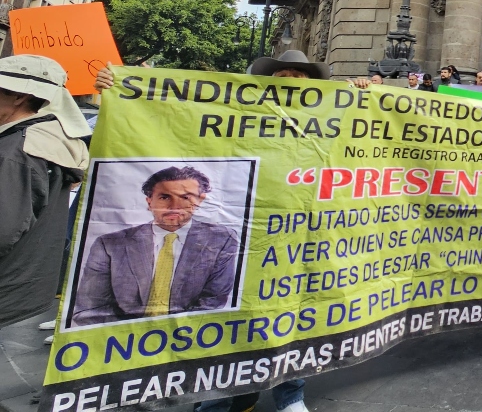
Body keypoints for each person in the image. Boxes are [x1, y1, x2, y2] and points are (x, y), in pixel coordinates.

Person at [94, 50, 333, 412]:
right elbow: (180, 118)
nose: (288, 82)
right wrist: (120, 90)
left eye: (298, 78)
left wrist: (364, 94)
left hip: (298, 234)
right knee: (236, 319)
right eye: (281, 76)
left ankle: (290, 393)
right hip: (249, 231)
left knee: (289, 315)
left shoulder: (329, 120)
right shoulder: (241, 113)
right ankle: (225, 398)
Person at [72, 166, 239, 325]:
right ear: (149, 201)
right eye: (164, 197)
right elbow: (90, 309)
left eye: (186, 197)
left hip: (186, 339)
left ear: (200, 200)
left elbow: (211, 304)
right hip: (124, 342)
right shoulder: (110, 244)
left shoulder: (221, 240)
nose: (175, 206)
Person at [0, 56, 91, 328]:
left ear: (18, 96)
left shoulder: (17, 151)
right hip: (22, 283)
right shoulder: (40, 140)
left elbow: (3, 229)